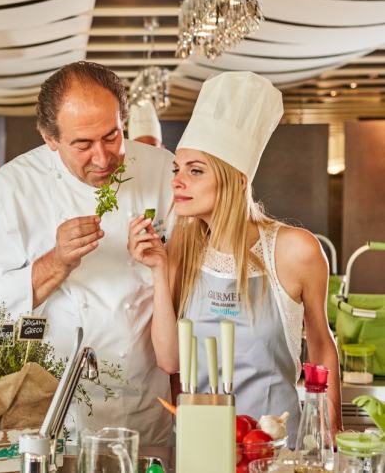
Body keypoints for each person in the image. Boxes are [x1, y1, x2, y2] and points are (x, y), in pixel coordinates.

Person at [0, 61, 175, 445]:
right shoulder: (11, 187)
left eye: (112, 136)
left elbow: (190, 289)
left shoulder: (165, 172)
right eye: (83, 144)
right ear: (50, 139)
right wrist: (55, 263)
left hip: (145, 408)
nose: (103, 158)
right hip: (55, 416)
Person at [127, 71, 342, 442]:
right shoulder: (182, 247)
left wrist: (330, 434)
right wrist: (159, 270)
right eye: (177, 169)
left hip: (275, 446)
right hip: (202, 443)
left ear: (237, 181)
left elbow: (321, 347)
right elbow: (170, 361)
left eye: (196, 171)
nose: (177, 180)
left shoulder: (295, 250)